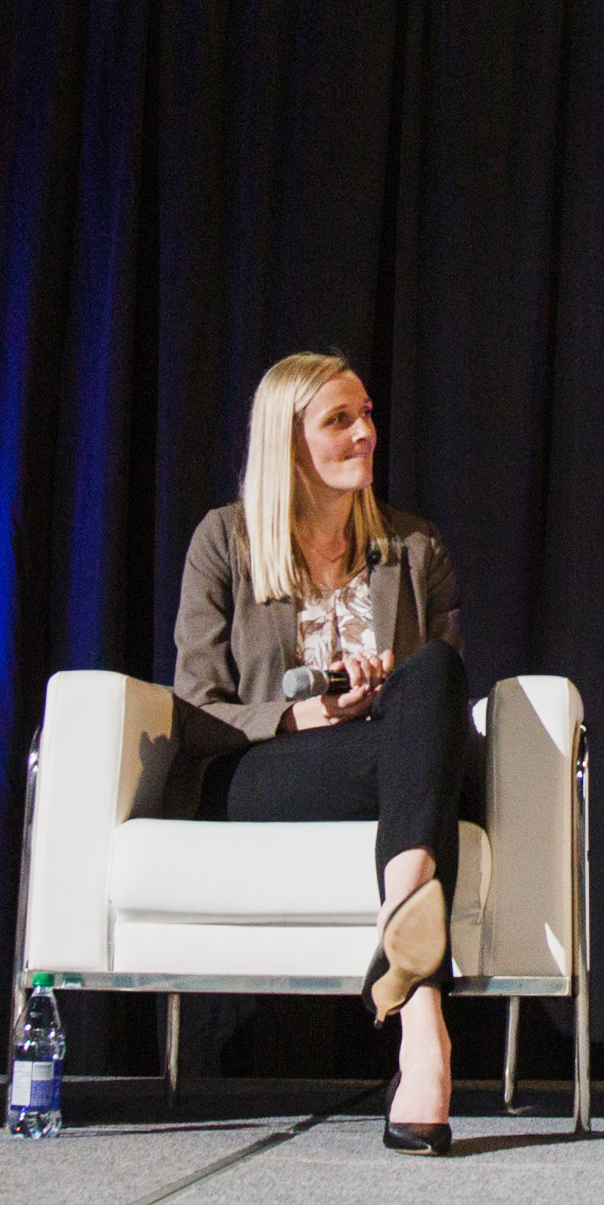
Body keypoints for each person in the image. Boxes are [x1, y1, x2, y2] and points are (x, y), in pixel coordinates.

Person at [174, 353, 476, 1153]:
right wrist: (304, 715)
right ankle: (413, 954)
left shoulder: (414, 546)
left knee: (434, 670)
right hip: (267, 769)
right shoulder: (226, 541)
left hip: (389, 768)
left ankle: (420, 1023)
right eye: (340, 420)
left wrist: (388, 696)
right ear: (289, 442)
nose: (366, 433)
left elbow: (436, 704)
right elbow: (198, 706)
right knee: (421, 753)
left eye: (367, 414)